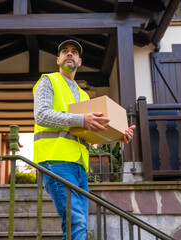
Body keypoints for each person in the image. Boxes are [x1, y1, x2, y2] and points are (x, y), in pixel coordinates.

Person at [33, 39, 136, 240]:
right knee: (77, 222)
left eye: (74, 52)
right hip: (55, 161)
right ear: (58, 59)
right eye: (64, 51)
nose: (69, 54)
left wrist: (117, 136)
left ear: (80, 61)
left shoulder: (83, 96)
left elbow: (90, 133)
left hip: (79, 167)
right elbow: (42, 115)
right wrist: (81, 118)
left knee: (80, 225)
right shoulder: (48, 81)